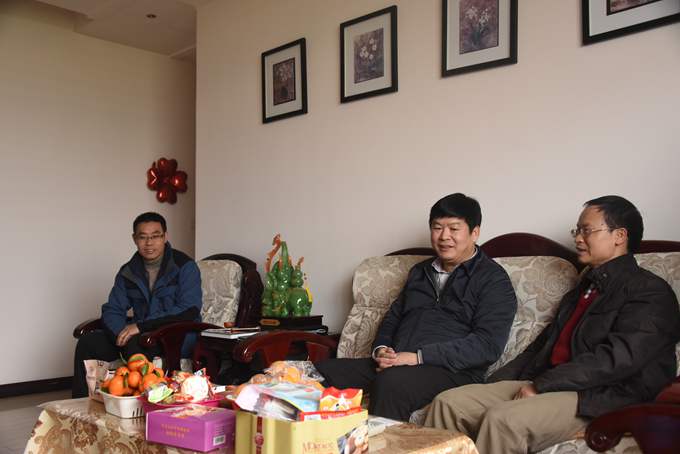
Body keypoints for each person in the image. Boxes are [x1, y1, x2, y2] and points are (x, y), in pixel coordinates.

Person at [424, 195, 680, 454]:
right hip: (552, 382)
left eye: (587, 230)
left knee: (504, 420)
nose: (578, 238)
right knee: (448, 403)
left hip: (599, 395)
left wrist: (542, 385)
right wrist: (491, 385)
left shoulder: (649, 291)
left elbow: (616, 360)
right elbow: (539, 349)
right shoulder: (584, 288)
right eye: (577, 231)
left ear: (619, 236)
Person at [314, 193, 518, 420]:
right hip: (397, 363)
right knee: (317, 373)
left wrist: (417, 357)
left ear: (475, 232)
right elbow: (393, 318)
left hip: (453, 372)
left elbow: (487, 345)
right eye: (437, 228)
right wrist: (382, 350)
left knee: (392, 383)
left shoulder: (493, 280)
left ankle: (380, 440)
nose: (444, 236)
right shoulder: (420, 272)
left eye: (454, 228)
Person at [72, 212, 202, 398]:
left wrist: (141, 327)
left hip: (177, 335)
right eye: (143, 237)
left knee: (137, 344)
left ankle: (137, 406)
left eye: (155, 236)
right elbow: (113, 309)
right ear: (135, 239)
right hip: (139, 335)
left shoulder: (184, 266)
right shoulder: (128, 271)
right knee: (88, 342)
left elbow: (189, 310)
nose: (149, 243)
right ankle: (80, 403)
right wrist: (119, 334)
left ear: (165, 236)